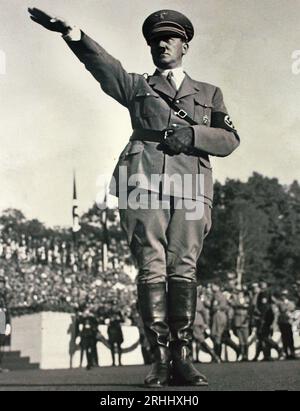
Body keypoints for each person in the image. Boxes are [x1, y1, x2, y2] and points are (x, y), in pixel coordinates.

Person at [28, 7, 240, 387]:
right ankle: (159, 359)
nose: (162, 43)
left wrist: (192, 136)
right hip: (141, 180)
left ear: (184, 45)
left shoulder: (209, 93)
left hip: (191, 182)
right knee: (151, 266)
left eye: (170, 37)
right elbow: (104, 67)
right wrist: (75, 34)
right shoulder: (137, 86)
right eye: (156, 39)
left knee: (184, 266)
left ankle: (183, 358)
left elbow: (229, 140)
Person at [277, 290, 296, 360]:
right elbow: (282, 310)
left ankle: (292, 352)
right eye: (282, 295)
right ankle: (286, 353)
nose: (283, 297)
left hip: (288, 322)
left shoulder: (291, 303)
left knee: (290, 338)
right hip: (282, 322)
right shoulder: (280, 303)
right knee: (284, 338)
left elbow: (293, 309)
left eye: (285, 295)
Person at [0, 275, 11, 373]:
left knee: (2, 343)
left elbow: (6, 309)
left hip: (3, 318)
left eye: (2, 283)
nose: (1, 285)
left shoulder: (4, 296)